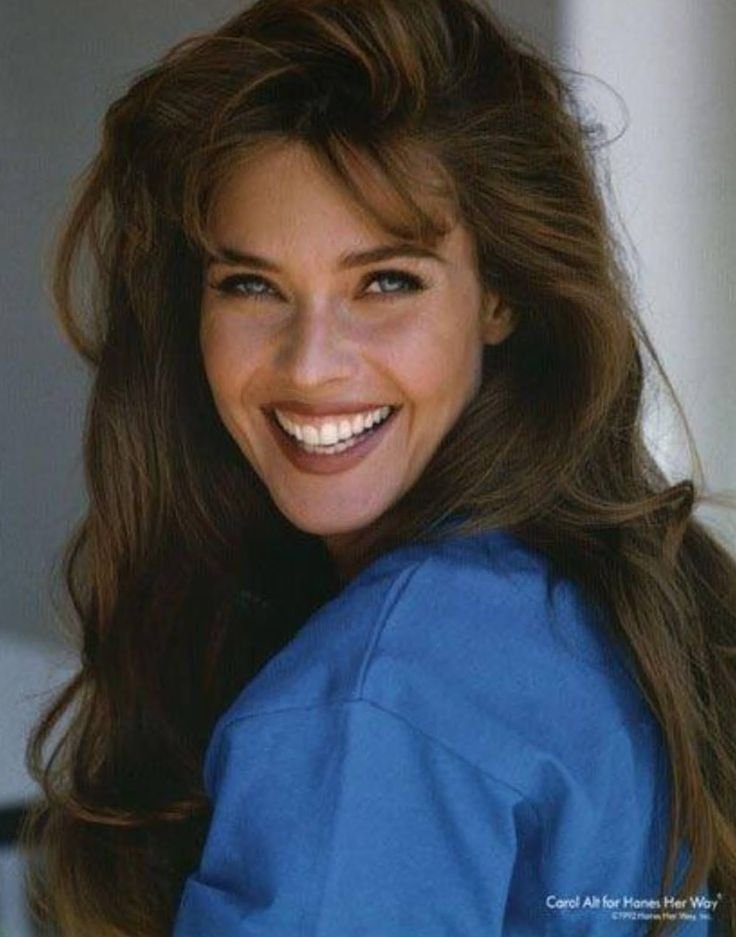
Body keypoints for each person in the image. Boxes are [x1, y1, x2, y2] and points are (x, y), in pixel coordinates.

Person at [20, 0, 736, 934]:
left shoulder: (376, 696)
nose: (311, 364)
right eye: (250, 284)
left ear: (500, 296)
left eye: (386, 281)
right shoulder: (616, 600)